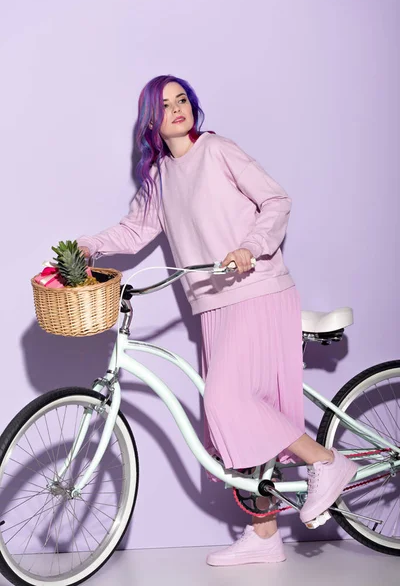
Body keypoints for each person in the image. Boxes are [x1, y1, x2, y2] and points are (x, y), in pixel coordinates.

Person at [77, 75, 358, 566]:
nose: (176, 109)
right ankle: (266, 535)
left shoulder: (219, 150)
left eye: (181, 99)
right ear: (151, 120)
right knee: (237, 422)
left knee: (230, 401)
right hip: (210, 305)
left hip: (257, 290)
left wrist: (251, 247)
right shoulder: (161, 177)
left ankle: (328, 462)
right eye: (164, 105)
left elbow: (276, 200)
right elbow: (136, 228)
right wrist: (89, 246)